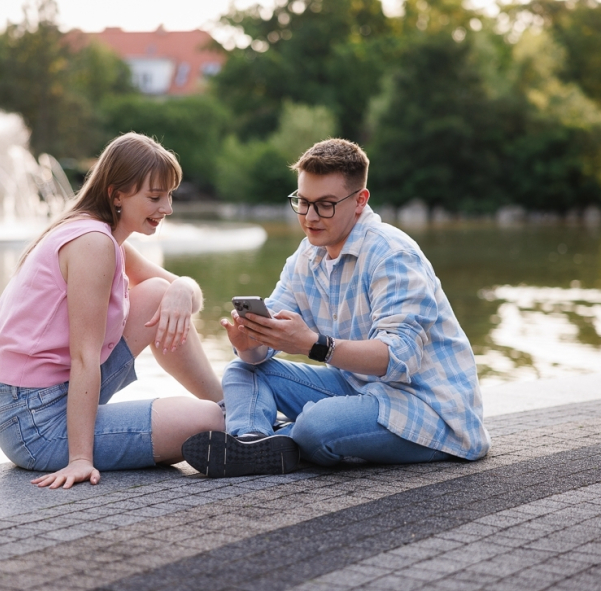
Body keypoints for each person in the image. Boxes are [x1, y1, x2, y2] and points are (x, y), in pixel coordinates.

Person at [181, 138, 490, 478]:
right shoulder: (306, 256)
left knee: (316, 426)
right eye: (303, 202)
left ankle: (283, 436)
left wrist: (313, 344)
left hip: (430, 410)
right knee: (242, 370)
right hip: (360, 389)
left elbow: (398, 359)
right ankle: (253, 443)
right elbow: (263, 351)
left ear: (360, 201)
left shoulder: (393, 254)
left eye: (325, 205)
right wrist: (250, 343)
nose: (310, 217)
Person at [0, 132, 224, 489]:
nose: (168, 208)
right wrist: (80, 459)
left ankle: (234, 410)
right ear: (117, 195)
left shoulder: (105, 237)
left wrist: (182, 289)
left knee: (160, 292)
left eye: (169, 196)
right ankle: (227, 416)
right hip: (36, 425)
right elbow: (84, 357)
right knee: (207, 421)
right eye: (155, 197)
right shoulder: (92, 243)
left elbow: (190, 298)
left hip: (53, 397)